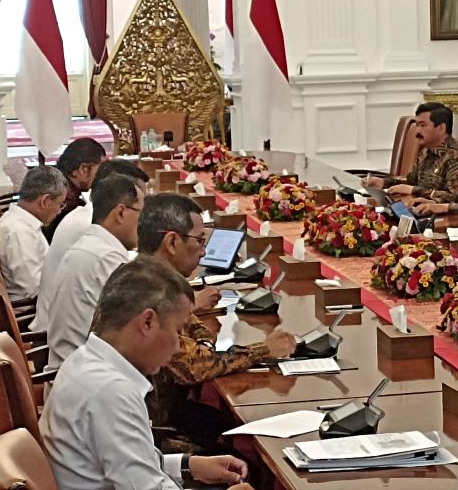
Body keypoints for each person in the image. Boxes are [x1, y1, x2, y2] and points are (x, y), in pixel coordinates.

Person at [40, 258, 253, 490]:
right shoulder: (110, 391)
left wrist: (189, 465)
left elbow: (134, 464)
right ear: (148, 322)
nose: (177, 347)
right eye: (177, 331)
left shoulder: (84, 361)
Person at [136, 194, 296, 446]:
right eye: (199, 241)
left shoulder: (148, 276)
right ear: (172, 241)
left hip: (164, 412)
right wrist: (264, 349)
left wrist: (203, 344)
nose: (204, 251)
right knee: (243, 454)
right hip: (151, 432)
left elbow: (200, 334)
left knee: (222, 423)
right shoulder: (149, 292)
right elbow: (194, 367)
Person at [44, 174, 146, 369]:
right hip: (87, 380)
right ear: (121, 213)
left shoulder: (91, 244)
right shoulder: (106, 258)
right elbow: (140, 328)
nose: (143, 224)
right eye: (141, 214)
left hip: (75, 371)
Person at [36, 159, 152, 327]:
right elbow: (135, 314)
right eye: (141, 208)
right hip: (54, 335)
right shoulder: (90, 230)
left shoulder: (90, 218)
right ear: (120, 209)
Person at [363, 102, 458, 199]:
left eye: (423, 125)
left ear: (441, 128)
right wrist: (383, 182)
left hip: (444, 219)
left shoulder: (457, 157)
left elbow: (456, 198)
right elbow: (410, 181)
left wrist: (413, 190)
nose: (417, 130)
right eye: (417, 125)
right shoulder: (426, 151)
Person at [0, 166, 67, 303]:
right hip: (30, 312)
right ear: (45, 201)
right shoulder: (18, 232)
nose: (59, 211)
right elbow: (35, 289)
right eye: (60, 204)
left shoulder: (23, 224)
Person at [48, 136, 107, 237]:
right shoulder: (66, 200)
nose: (102, 176)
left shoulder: (53, 181)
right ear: (83, 169)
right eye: (100, 170)